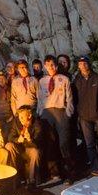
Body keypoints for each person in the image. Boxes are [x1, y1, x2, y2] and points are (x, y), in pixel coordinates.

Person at [37, 55, 75, 183]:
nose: (51, 67)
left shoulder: (64, 79)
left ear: (56, 66)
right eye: (48, 65)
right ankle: (54, 172)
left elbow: (69, 98)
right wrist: (41, 113)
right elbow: (40, 99)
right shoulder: (42, 81)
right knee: (50, 143)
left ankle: (69, 173)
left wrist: (68, 113)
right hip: (47, 113)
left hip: (61, 112)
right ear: (45, 67)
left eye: (53, 65)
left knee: (64, 143)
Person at [6, 105, 43, 190]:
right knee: (9, 146)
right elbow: (10, 137)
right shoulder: (16, 122)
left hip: (30, 148)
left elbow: (38, 143)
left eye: (23, 117)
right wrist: (18, 140)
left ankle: (31, 181)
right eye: (20, 117)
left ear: (29, 116)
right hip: (20, 148)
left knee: (35, 152)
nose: (21, 119)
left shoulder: (36, 124)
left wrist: (30, 139)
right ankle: (15, 178)